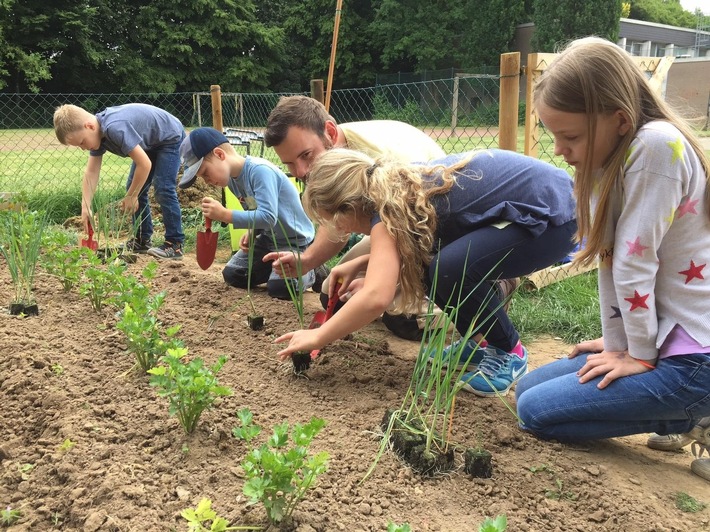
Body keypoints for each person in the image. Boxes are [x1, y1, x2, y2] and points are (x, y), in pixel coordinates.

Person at [514, 37, 710, 482]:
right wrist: (620, 344)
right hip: (664, 342)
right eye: (554, 136)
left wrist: (638, 354)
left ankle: (692, 413)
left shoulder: (656, 147)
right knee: (527, 389)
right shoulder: (613, 157)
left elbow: (633, 264)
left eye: (571, 136)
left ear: (620, 120)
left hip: (695, 359)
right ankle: (685, 407)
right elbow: (611, 262)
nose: (560, 150)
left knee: (534, 413)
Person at [274, 148, 577, 396]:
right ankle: (478, 343)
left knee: (448, 269)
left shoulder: (386, 211)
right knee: (435, 266)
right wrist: (359, 263)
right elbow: (411, 253)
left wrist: (319, 338)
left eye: (336, 222)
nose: (340, 230)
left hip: (552, 219)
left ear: (349, 207)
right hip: (541, 208)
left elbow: (376, 297)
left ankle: (509, 352)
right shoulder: (392, 189)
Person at [262, 95, 449, 341]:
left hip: (438, 233)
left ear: (329, 131)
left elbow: (415, 235)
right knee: (334, 294)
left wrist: (379, 283)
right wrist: (306, 261)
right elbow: (340, 223)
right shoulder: (336, 154)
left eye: (306, 155)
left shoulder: (388, 157)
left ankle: (490, 288)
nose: (301, 172)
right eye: (290, 164)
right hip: (392, 230)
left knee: (405, 320)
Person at [178, 127, 316, 299]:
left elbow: (268, 217)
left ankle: (313, 269)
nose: (206, 181)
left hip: (294, 241)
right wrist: (252, 232)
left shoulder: (260, 171)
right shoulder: (232, 181)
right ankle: (275, 269)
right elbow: (255, 209)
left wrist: (224, 215)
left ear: (220, 154)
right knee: (233, 274)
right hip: (267, 240)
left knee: (282, 288)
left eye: (205, 172)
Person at [53, 103, 185, 259]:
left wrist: (131, 196)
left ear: (89, 126)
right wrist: (86, 205)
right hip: (150, 143)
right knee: (134, 186)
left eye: (82, 142)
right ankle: (142, 240)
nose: (83, 148)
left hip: (170, 137)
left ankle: (175, 244)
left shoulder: (114, 128)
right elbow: (91, 171)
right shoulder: (96, 134)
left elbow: (145, 164)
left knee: (163, 187)